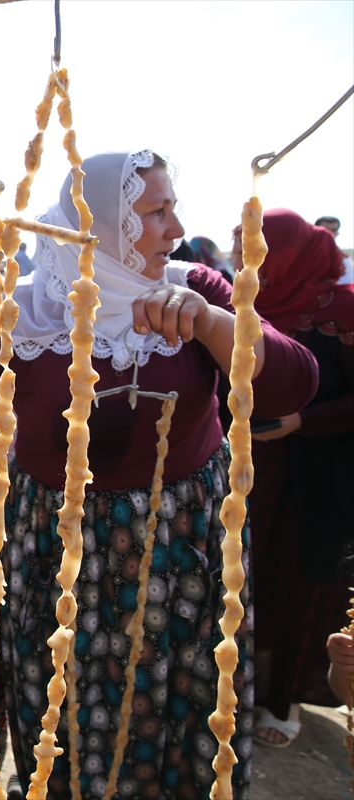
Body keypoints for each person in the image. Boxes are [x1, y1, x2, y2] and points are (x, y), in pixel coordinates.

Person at [0, 151, 318, 798]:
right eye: (155, 211)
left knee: (178, 702)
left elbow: (292, 384)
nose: (174, 226)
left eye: (172, 208)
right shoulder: (22, 312)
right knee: (71, 711)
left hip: (178, 546)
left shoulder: (197, 291)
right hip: (62, 550)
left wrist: (211, 323)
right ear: (98, 227)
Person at [240, 209, 353, 748]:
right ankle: (241, 692)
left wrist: (301, 421)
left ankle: (282, 703)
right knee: (246, 578)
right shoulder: (248, 301)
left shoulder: (343, 308)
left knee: (298, 585)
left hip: (319, 479)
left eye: (260, 248)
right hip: (257, 473)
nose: (250, 260)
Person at [315, 215, 354, 286]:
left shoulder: (344, 261)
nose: (329, 233)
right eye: (325, 230)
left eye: (334, 230)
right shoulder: (302, 254)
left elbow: (345, 286)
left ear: (337, 233)